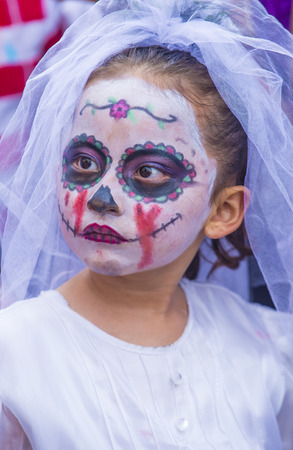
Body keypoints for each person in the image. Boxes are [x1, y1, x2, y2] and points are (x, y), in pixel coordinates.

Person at [0, 0, 293, 448]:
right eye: (84, 161)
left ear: (224, 211)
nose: (101, 197)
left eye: (148, 173)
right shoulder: (14, 356)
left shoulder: (266, 350)